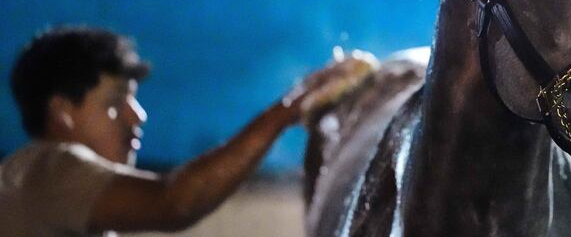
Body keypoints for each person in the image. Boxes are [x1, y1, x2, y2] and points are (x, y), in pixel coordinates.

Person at [0, 26, 376, 236]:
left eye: (134, 101)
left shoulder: (50, 190)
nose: (138, 116)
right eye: (114, 104)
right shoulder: (50, 169)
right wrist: (287, 110)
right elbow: (173, 202)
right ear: (62, 113)